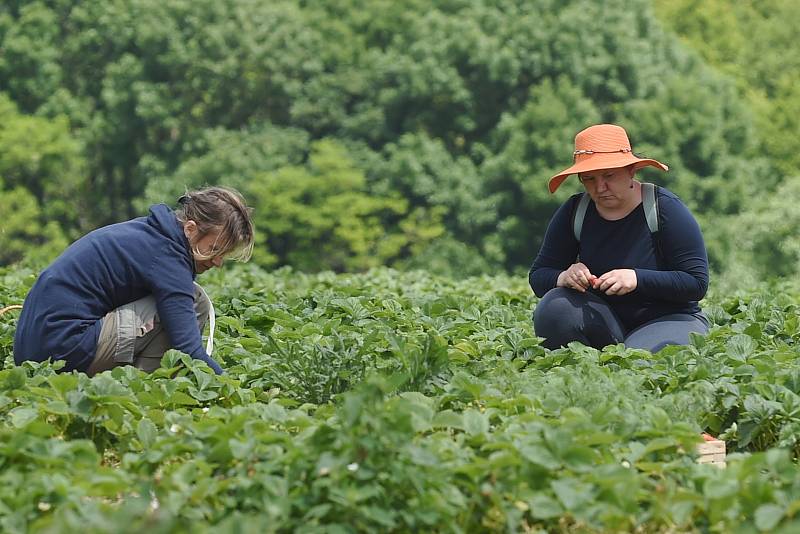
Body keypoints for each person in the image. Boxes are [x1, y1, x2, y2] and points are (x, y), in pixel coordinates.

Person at [13, 186, 254, 375]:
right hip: (63, 349)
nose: (217, 261)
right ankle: (145, 388)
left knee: (176, 300)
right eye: (213, 249)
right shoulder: (168, 257)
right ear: (190, 229)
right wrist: (231, 387)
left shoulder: (151, 232)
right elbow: (188, 349)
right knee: (196, 301)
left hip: (32, 350)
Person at [529, 124, 709, 353]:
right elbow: (539, 275)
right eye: (589, 179)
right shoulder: (575, 212)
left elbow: (696, 283)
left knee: (639, 358)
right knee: (554, 308)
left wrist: (636, 279)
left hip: (669, 319)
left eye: (609, 176)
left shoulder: (664, 208)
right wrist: (564, 276)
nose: (600, 187)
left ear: (631, 170)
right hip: (606, 321)